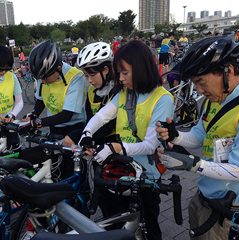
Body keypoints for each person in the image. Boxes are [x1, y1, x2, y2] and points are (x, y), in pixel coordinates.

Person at [78, 41, 174, 240]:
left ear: (140, 68)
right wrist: (86, 133)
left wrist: (115, 147)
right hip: (121, 171)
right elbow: (103, 116)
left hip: (146, 176)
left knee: (150, 226)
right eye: (118, 73)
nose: (120, 79)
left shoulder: (162, 99)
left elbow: (149, 145)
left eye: (124, 73)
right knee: (116, 223)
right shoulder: (125, 93)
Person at [155, 32, 239, 240]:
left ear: (227, 71)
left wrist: (194, 164)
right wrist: (176, 137)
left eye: (201, 82)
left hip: (228, 210)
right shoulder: (214, 99)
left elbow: (237, 170)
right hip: (203, 197)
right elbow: (198, 137)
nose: (199, 90)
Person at [18, 39, 86, 141]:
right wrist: (33, 115)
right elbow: (40, 99)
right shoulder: (45, 73)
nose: (43, 82)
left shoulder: (76, 77)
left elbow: (67, 115)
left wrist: (36, 123)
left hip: (73, 129)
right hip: (54, 126)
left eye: (45, 78)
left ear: (58, 68)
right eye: (40, 79)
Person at [63, 42, 118, 147]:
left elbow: (108, 127)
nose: (89, 80)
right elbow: (90, 120)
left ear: (106, 69)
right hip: (94, 144)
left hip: (115, 146)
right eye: (86, 75)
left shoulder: (118, 91)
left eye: (92, 75)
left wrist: (76, 135)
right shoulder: (92, 90)